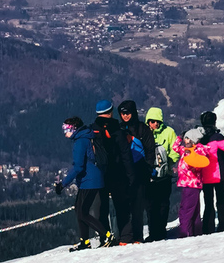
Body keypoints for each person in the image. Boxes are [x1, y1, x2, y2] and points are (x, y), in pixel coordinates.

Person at [57, 117, 113, 251]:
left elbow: (78, 167)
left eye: (66, 129)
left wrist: (63, 184)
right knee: (79, 209)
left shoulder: (80, 142)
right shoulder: (84, 138)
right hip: (88, 180)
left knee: (83, 212)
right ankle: (85, 241)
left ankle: (106, 235)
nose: (65, 133)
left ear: (74, 129)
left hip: (90, 181)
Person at [92, 99, 134, 245]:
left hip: (99, 174)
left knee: (102, 209)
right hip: (118, 173)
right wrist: (131, 176)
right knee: (122, 206)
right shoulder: (118, 131)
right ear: (110, 112)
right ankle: (125, 238)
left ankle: (105, 238)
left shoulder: (92, 131)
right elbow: (126, 156)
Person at [118, 100, 156, 244]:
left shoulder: (142, 129)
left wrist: (148, 168)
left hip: (140, 173)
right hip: (123, 174)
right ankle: (126, 236)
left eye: (127, 112)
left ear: (133, 112)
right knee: (124, 206)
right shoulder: (119, 128)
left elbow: (150, 150)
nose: (125, 116)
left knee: (137, 206)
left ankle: (138, 236)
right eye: (122, 113)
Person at [199, 111, 224, 234]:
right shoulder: (217, 137)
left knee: (208, 202)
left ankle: (207, 227)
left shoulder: (199, 138)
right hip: (219, 175)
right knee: (221, 200)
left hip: (205, 175)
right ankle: (223, 225)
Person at [144, 107, 179, 242]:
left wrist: (168, 162)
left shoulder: (169, 132)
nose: (155, 124)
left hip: (165, 175)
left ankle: (161, 231)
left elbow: (175, 150)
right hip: (149, 176)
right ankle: (153, 232)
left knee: (163, 204)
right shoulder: (145, 133)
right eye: (152, 121)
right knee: (150, 205)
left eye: (157, 121)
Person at [171, 128, 210, 238]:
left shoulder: (198, 150)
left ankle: (185, 233)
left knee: (186, 211)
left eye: (187, 138)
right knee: (194, 211)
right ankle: (196, 232)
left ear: (193, 139)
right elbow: (175, 147)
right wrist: (179, 137)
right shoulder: (185, 150)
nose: (185, 140)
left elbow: (201, 161)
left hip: (192, 185)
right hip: (186, 184)